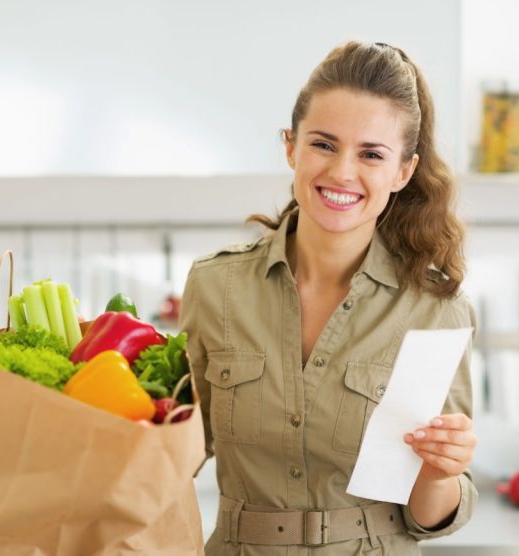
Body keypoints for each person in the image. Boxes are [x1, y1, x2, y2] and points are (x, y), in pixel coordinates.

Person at [179, 41, 477, 555]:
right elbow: (174, 455)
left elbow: (429, 516)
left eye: (371, 154)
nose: (342, 172)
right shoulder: (216, 287)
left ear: (402, 172)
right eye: (323, 144)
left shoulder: (436, 310)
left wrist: (439, 472)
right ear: (291, 147)